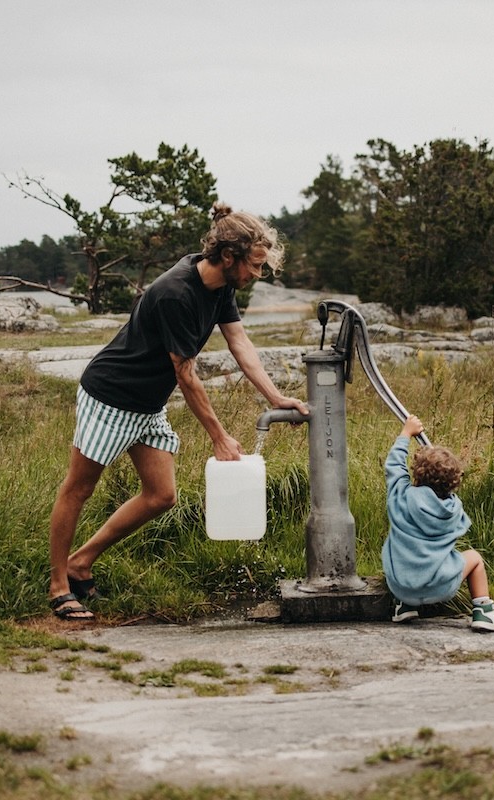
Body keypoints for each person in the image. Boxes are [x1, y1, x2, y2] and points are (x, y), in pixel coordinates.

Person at [47, 203, 309, 620]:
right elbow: (186, 376)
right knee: (78, 488)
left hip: (147, 405)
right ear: (229, 256)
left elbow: (240, 345)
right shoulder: (177, 293)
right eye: (255, 266)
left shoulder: (220, 286)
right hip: (111, 397)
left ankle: (81, 562)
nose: (257, 275)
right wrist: (220, 437)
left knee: (161, 495)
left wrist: (276, 398)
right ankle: (59, 585)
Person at [381, 415, 494, 632]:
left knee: (395, 547)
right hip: (440, 586)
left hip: (401, 584)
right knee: (475, 559)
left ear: (416, 473)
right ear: (453, 482)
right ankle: (484, 612)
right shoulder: (453, 510)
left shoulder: (401, 498)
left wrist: (406, 433)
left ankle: (404, 605)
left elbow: (394, 466)